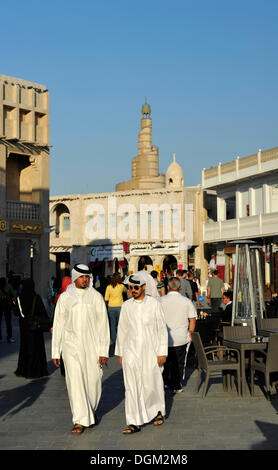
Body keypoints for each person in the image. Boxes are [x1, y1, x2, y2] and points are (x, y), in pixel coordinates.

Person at [52, 264, 110, 434]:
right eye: (82, 277)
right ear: (75, 277)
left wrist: (103, 351)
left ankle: (89, 412)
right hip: (71, 347)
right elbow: (59, 325)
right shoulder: (65, 298)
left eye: (87, 277)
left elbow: (103, 325)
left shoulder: (96, 297)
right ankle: (79, 420)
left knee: (94, 381)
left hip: (92, 346)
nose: (85, 280)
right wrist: (56, 351)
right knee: (75, 382)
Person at [115, 271, 168, 434]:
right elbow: (122, 330)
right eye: (131, 287)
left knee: (152, 383)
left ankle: (157, 411)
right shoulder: (126, 306)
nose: (133, 290)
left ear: (144, 287)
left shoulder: (154, 304)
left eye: (136, 287)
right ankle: (133, 421)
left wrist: (162, 352)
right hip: (130, 352)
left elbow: (161, 330)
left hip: (150, 351)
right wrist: (120, 353)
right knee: (131, 387)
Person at [161, 277, 197, 393]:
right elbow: (192, 319)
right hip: (181, 337)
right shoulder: (186, 301)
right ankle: (176, 384)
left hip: (164, 337)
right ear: (180, 287)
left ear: (167, 287)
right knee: (179, 362)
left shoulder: (159, 301)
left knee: (165, 362)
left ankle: (165, 381)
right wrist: (190, 333)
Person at [14, 278, 50, 379]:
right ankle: (37, 371)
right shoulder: (36, 297)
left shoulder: (19, 298)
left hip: (24, 328)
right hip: (35, 328)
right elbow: (42, 312)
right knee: (36, 348)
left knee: (25, 347)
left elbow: (16, 313)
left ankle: (24, 369)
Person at [104, 272, 127, 351]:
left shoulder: (108, 287)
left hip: (111, 307)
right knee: (120, 324)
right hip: (120, 306)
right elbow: (126, 291)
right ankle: (121, 339)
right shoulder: (121, 286)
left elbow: (106, 298)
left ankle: (114, 341)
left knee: (112, 325)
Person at [0, 277, 15, 343]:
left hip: (0, 304)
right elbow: (13, 294)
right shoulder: (9, 286)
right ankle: (9, 337)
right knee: (8, 322)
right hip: (7, 305)